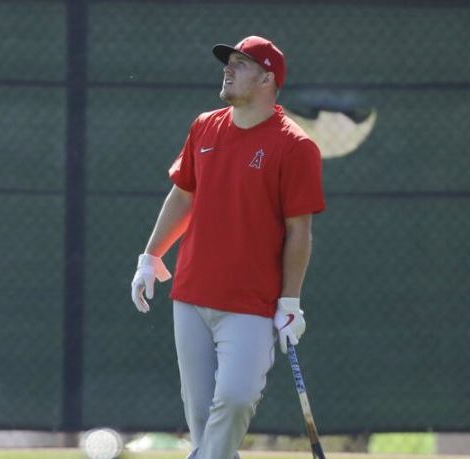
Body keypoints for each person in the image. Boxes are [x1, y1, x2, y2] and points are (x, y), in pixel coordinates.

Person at [129, 35, 325, 459]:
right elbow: (183, 195)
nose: (228, 69)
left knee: (234, 400)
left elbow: (299, 231)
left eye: (241, 63)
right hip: (191, 295)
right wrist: (151, 255)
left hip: (252, 303)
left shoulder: (296, 146)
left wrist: (291, 301)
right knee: (202, 423)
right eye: (228, 61)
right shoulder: (204, 126)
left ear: (267, 79)